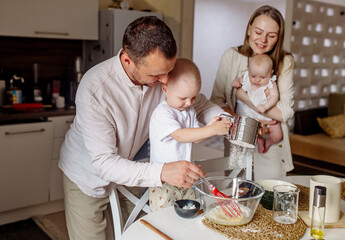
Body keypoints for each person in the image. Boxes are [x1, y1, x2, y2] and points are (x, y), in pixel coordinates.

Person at [59, 16, 224, 240]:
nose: (166, 80)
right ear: (128, 61)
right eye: (156, 75)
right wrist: (163, 171)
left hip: (132, 170)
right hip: (87, 174)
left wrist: (224, 120)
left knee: (136, 235)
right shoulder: (95, 89)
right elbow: (105, 163)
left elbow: (201, 104)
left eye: (170, 69)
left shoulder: (163, 74)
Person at [211, 5, 295, 180]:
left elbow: (285, 112)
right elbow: (216, 102)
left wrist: (243, 96)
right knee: (238, 190)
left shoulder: (284, 61)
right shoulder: (232, 56)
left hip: (270, 138)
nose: (263, 40)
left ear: (278, 38)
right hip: (238, 137)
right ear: (249, 29)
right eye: (258, 32)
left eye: (271, 36)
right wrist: (243, 122)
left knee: (270, 192)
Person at [148, 58, 231, 211]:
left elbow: (196, 138)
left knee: (190, 212)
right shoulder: (162, 113)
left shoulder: (188, 110)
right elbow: (180, 135)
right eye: (183, 98)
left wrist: (211, 126)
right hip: (164, 180)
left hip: (186, 177)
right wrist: (211, 130)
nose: (189, 103)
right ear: (165, 89)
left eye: (193, 97)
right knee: (163, 217)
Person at [234, 54, 282, 153]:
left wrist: (265, 106)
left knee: (278, 136)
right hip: (250, 113)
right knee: (248, 134)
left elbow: (275, 97)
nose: (257, 80)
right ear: (249, 72)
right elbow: (237, 81)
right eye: (253, 76)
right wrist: (236, 82)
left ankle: (268, 142)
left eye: (262, 77)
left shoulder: (271, 83)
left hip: (266, 113)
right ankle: (259, 141)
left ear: (270, 73)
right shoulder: (246, 78)